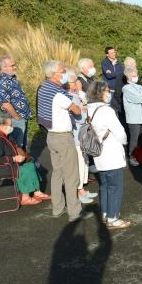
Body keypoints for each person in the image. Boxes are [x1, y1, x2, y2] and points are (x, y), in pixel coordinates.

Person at [37, 60, 92, 222]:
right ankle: (74, 211)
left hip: (51, 135)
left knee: (57, 174)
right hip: (63, 137)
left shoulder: (43, 88)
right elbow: (74, 109)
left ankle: (57, 208)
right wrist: (79, 108)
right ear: (54, 74)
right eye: (62, 71)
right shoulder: (59, 93)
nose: (65, 74)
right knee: (71, 175)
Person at [87, 81, 131, 230]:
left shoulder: (90, 109)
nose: (109, 93)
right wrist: (124, 142)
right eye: (107, 91)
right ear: (100, 93)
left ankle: (106, 213)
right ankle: (113, 218)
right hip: (111, 153)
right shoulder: (106, 110)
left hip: (99, 153)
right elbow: (120, 133)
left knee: (105, 184)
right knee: (115, 186)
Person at [0, 113, 50, 206]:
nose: (11, 127)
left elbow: (15, 146)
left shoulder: (4, 133)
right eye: (10, 125)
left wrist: (24, 156)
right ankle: (25, 198)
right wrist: (14, 158)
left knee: (30, 163)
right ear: (1, 125)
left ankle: (37, 192)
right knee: (24, 168)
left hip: (3, 164)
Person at [66, 69, 97, 204]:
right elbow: (78, 117)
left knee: (85, 162)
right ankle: (79, 191)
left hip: (82, 134)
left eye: (75, 82)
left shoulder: (76, 95)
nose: (76, 84)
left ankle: (82, 188)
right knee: (79, 163)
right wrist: (85, 111)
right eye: (73, 82)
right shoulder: (68, 97)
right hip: (77, 135)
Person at [0, 55, 32, 150]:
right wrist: (17, 117)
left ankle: (25, 162)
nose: (15, 67)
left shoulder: (12, 78)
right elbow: (6, 104)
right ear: (4, 68)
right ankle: (18, 164)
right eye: (12, 65)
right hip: (15, 120)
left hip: (21, 117)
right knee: (17, 146)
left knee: (23, 144)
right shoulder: (2, 82)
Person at [122, 66, 142, 166]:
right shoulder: (126, 88)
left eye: (136, 75)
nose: (136, 77)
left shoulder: (139, 86)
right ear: (128, 76)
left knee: (141, 138)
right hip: (133, 118)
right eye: (134, 75)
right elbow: (140, 98)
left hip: (141, 117)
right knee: (134, 139)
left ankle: (140, 155)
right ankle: (132, 156)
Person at [100, 46, 124, 114]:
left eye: (114, 52)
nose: (113, 54)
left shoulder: (118, 62)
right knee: (111, 108)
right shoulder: (104, 62)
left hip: (118, 88)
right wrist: (112, 66)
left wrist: (113, 72)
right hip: (110, 89)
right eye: (111, 53)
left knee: (118, 108)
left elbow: (122, 73)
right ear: (107, 54)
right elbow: (109, 75)